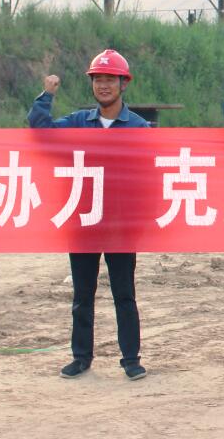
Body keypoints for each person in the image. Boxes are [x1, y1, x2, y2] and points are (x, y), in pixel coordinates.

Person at [29, 49, 152, 381]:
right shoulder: (77, 123)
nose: (103, 85)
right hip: (82, 221)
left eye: (110, 79)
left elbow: (149, 176)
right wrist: (46, 96)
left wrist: (143, 219)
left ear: (124, 84)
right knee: (82, 295)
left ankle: (131, 359)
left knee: (124, 294)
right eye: (98, 79)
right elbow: (40, 131)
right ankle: (81, 357)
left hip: (120, 225)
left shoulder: (138, 128)